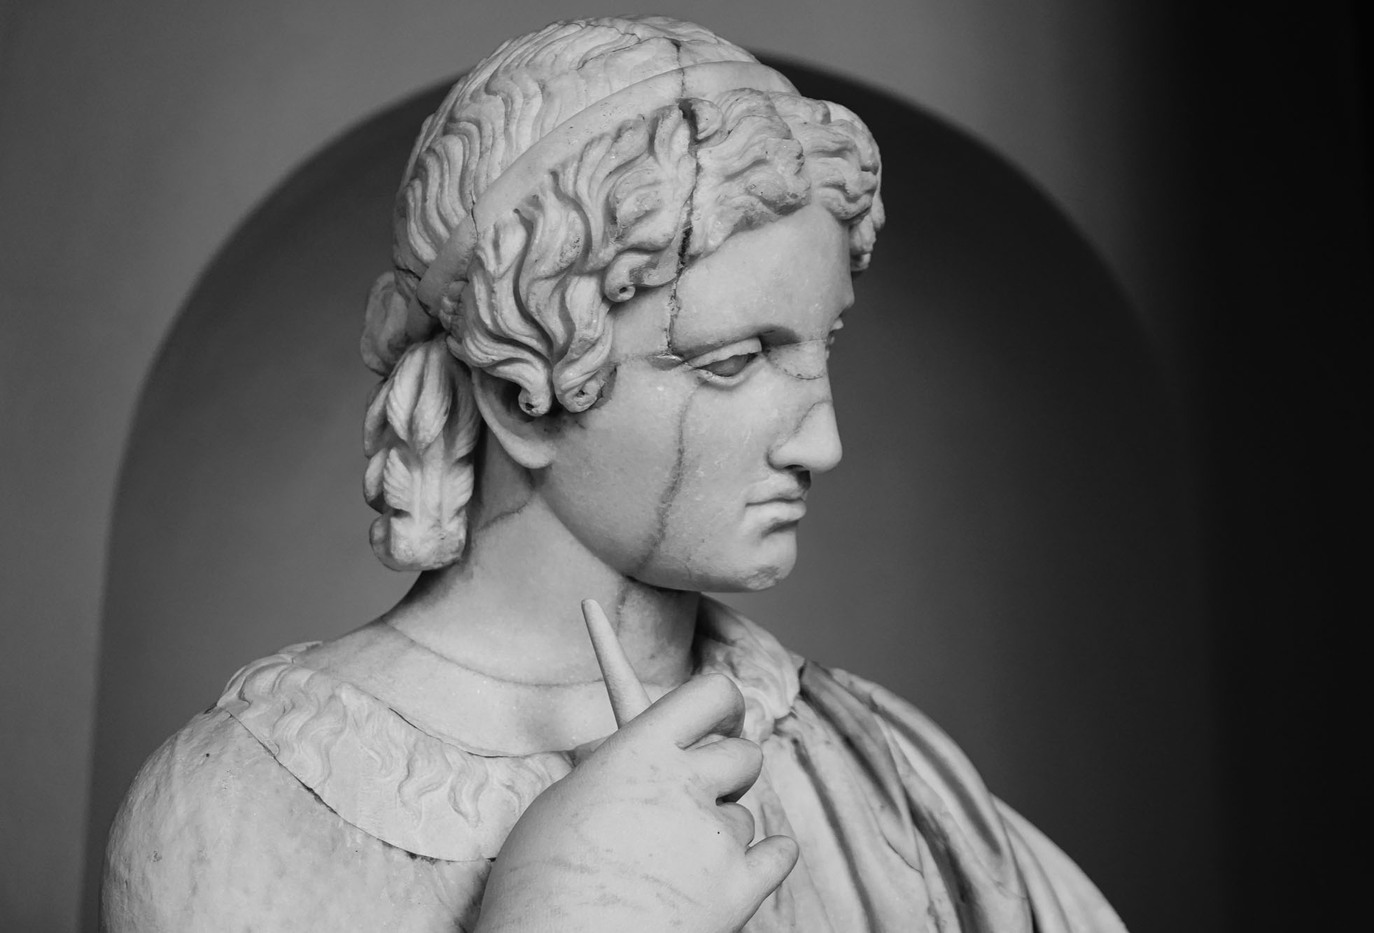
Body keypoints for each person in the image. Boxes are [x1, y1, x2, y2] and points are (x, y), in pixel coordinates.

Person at [102, 16, 1127, 932]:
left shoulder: (888, 777)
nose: (822, 443)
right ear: (520, 395)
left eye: (824, 348)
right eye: (732, 361)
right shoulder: (245, 806)